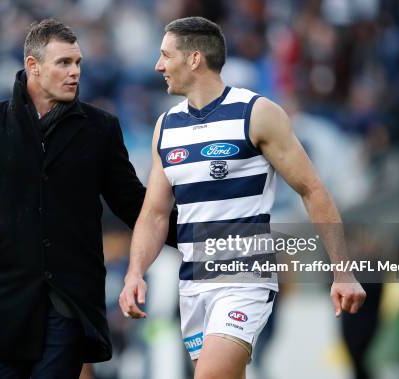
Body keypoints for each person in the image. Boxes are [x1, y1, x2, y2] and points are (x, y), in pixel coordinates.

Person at [0, 19, 176, 379]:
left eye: (78, 63)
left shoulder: (100, 129)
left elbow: (134, 204)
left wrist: (200, 239)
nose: (75, 73)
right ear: (33, 67)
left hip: (68, 305)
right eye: (64, 63)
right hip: (5, 306)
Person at [119, 17, 366, 379]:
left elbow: (313, 190)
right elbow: (155, 214)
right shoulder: (166, 127)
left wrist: (343, 270)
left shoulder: (257, 113)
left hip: (244, 278)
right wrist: (134, 273)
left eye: (165, 55)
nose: (158, 65)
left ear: (194, 58)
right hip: (191, 282)